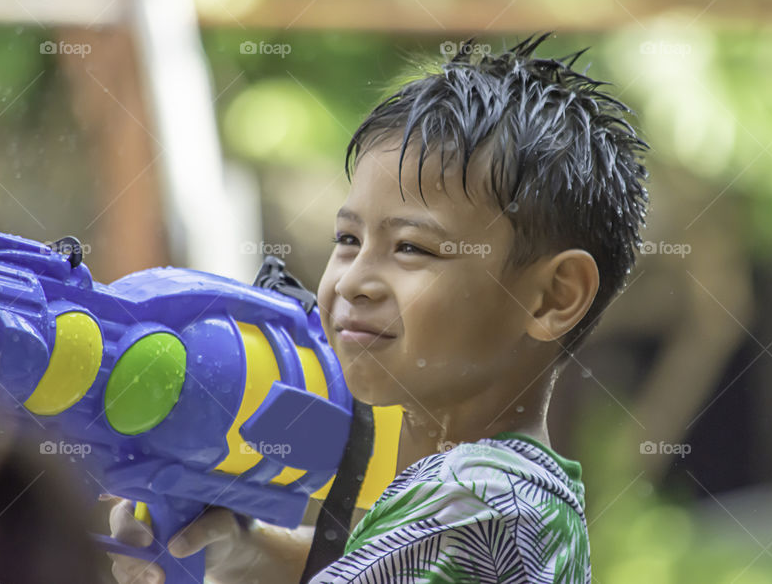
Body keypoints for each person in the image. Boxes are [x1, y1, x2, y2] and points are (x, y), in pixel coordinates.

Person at [111, 32, 649, 582]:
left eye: (412, 247)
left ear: (554, 297)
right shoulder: (514, 498)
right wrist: (250, 556)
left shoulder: (480, 503)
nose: (355, 281)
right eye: (347, 239)